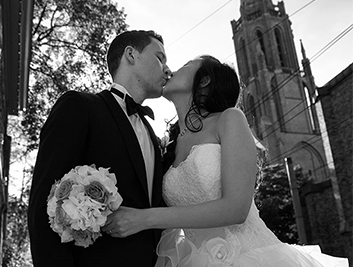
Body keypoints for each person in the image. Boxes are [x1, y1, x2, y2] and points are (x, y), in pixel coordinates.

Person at [102, 55, 349, 267]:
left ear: (205, 79)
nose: (170, 69)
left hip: (250, 256)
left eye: (186, 64)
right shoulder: (169, 145)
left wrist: (142, 219)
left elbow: (236, 209)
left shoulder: (229, 119)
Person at [28, 30, 172, 267]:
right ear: (131, 55)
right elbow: (42, 208)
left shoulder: (151, 134)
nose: (167, 69)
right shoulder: (80, 107)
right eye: (160, 58)